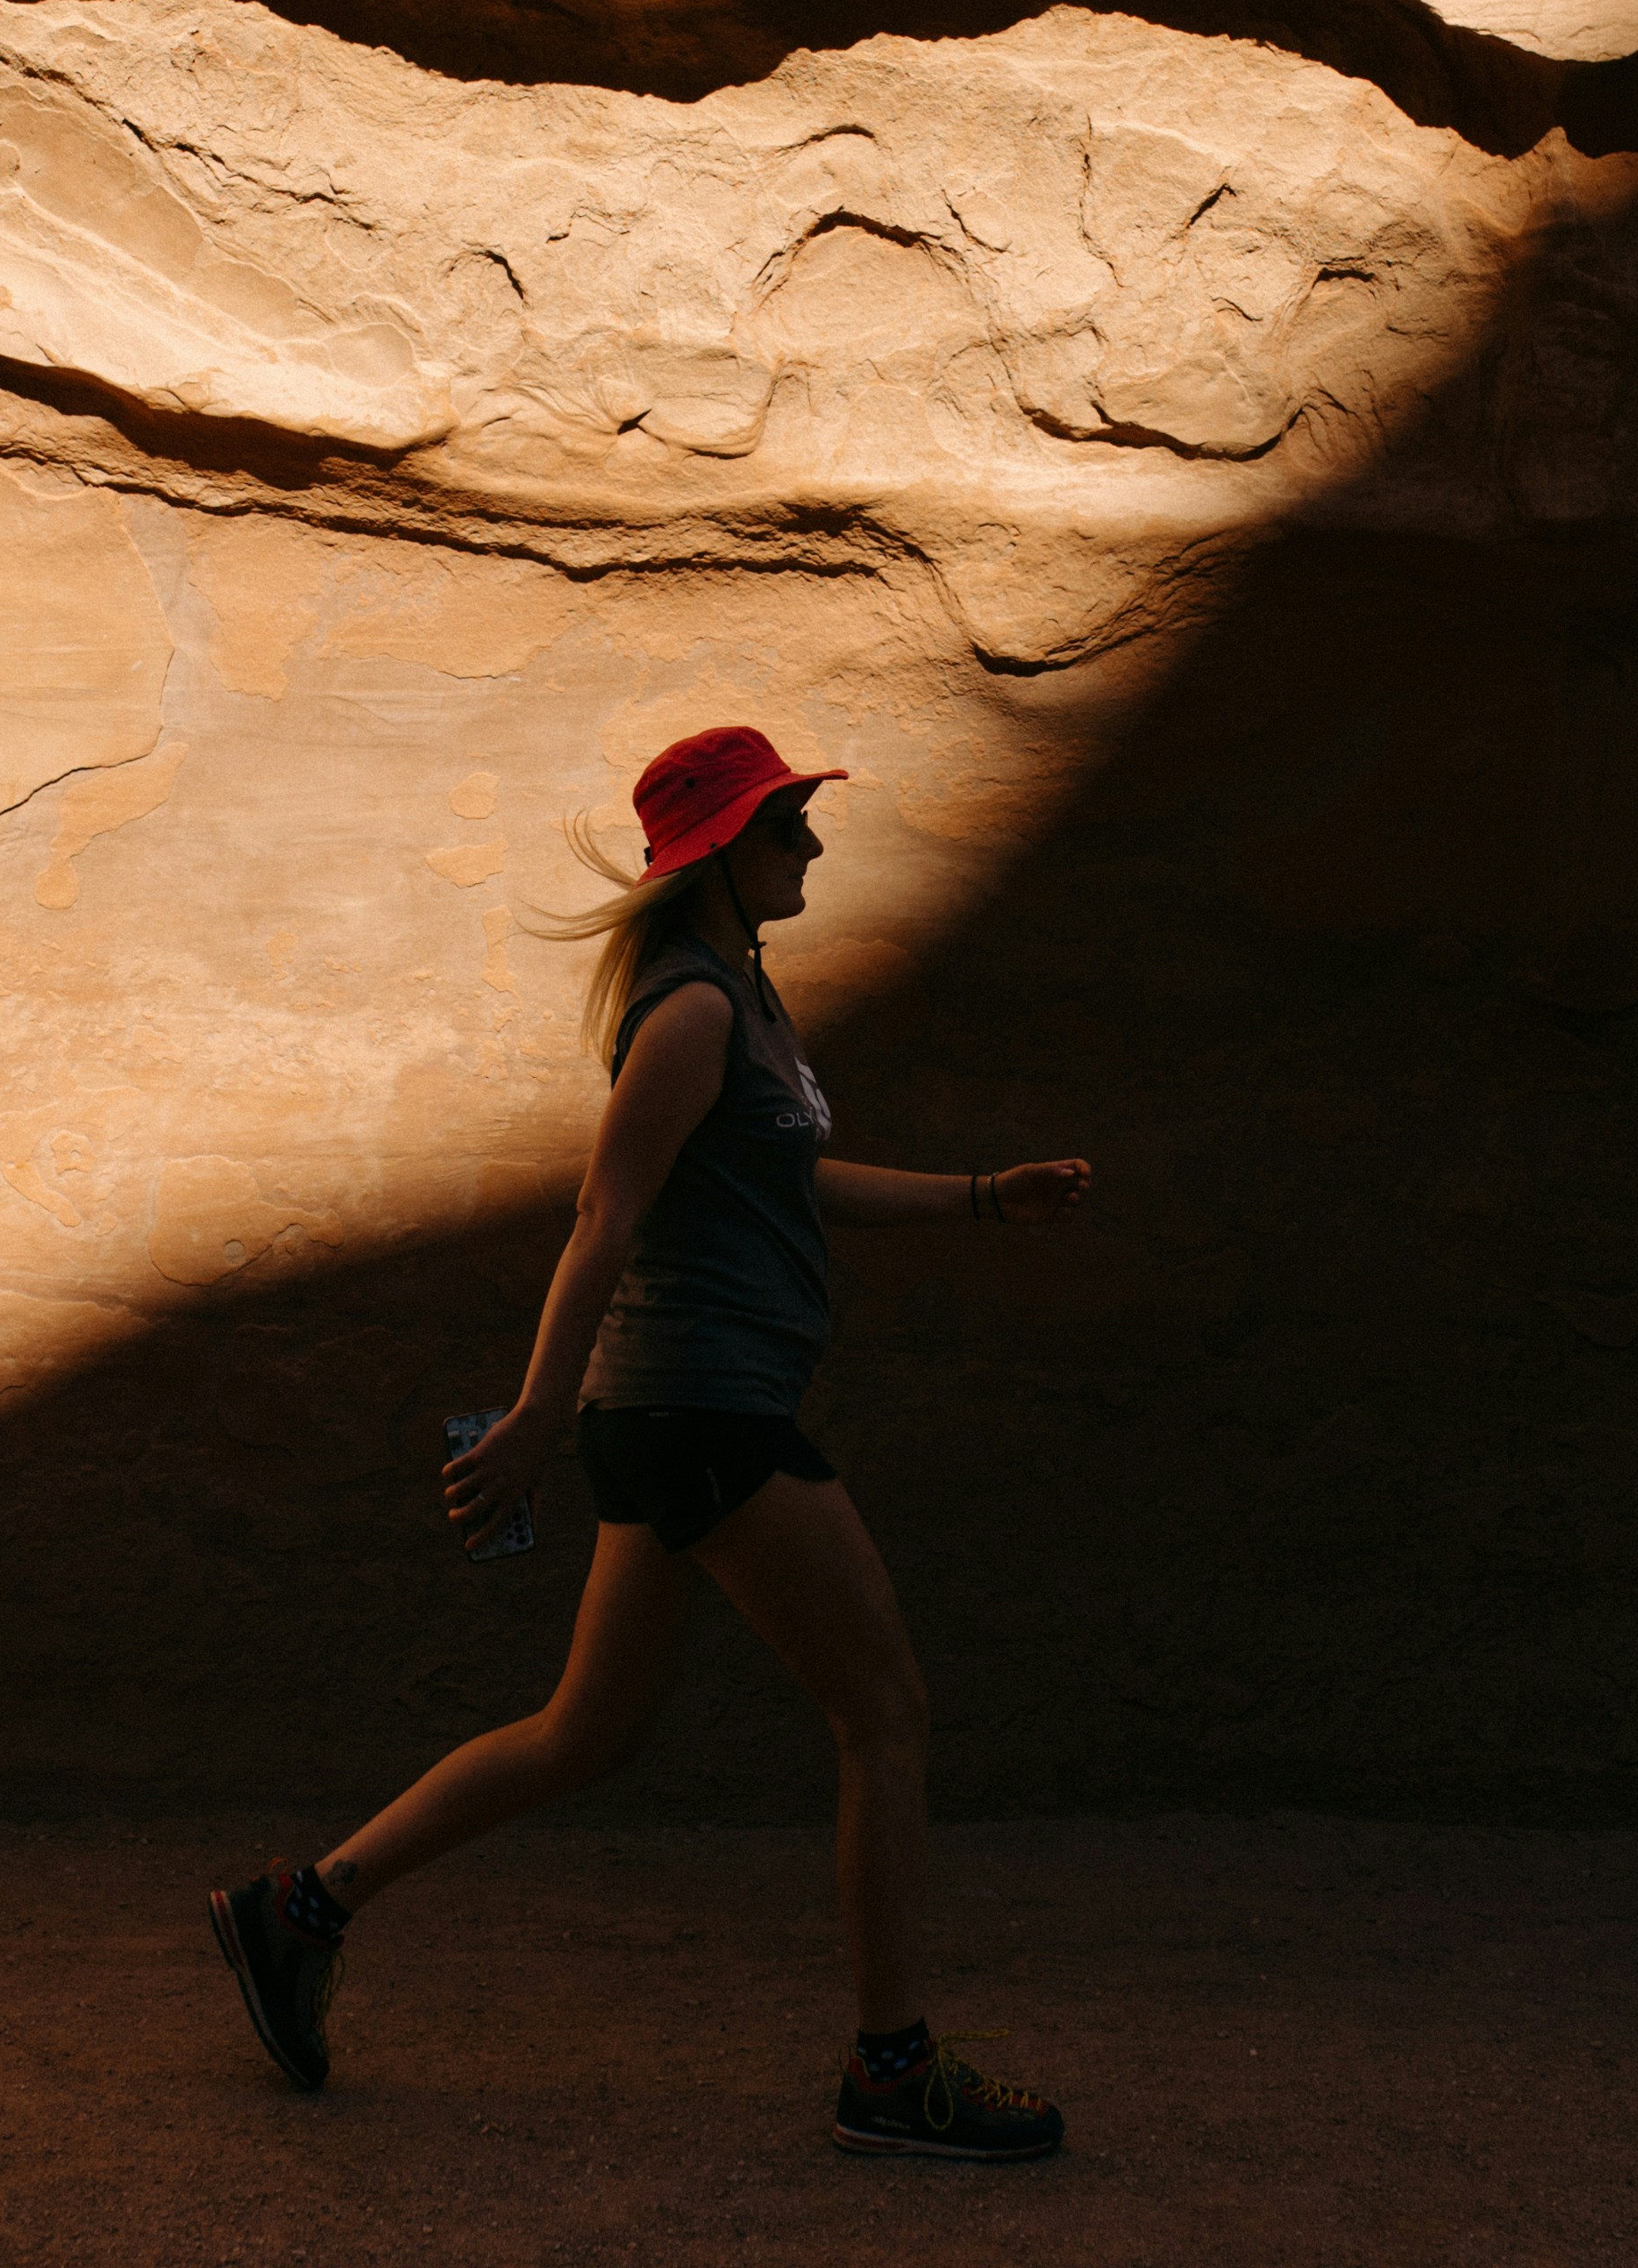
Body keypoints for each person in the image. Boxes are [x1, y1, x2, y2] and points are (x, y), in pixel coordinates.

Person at [205, 725, 1093, 2159]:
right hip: (703, 1411)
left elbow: (798, 1183)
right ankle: (890, 2068)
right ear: (722, 853)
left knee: (584, 1733)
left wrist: (988, 1197)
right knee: (888, 1714)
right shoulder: (691, 1011)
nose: (810, 844)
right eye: (787, 825)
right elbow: (603, 1215)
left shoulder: (744, 998)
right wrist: (536, 1419)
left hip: (681, 1413)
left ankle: (297, 1912)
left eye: (802, 819)